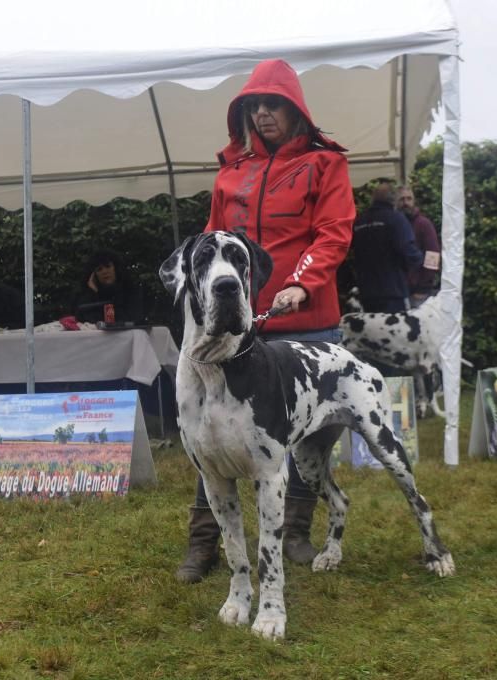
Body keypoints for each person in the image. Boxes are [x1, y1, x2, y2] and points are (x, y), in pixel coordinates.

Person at [176, 58, 355, 583]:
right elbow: (211, 243)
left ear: (296, 109)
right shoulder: (231, 172)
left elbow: (334, 233)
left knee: (307, 437)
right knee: (210, 427)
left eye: (273, 103)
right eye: (254, 105)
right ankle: (203, 541)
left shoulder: (326, 166)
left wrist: (302, 281)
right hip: (238, 326)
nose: (263, 113)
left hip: (306, 320)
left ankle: (294, 531)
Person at [351, 180, 423, 313]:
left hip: (366, 291)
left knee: (371, 331)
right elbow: (409, 252)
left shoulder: (359, 221)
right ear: (394, 200)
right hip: (394, 291)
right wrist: (419, 264)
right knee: (397, 330)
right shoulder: (396, 219)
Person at [397, 185, 441, 307]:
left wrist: (423, 288)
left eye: (409, 198)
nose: (406, 203)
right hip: (398, 292)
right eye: (402, 199)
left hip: (418, 293)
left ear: (414, 200)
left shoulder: (423, 224)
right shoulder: (394, 225)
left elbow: (433, 256)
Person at [74, 250, 145, 324]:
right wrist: (96, 293)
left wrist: (101, 294)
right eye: (99, 269)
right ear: (94, 275)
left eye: (108, 266)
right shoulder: (87, 297)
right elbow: (87, 322)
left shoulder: (130, 290)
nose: (104, 271)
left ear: (116, 268)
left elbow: (129, 318)